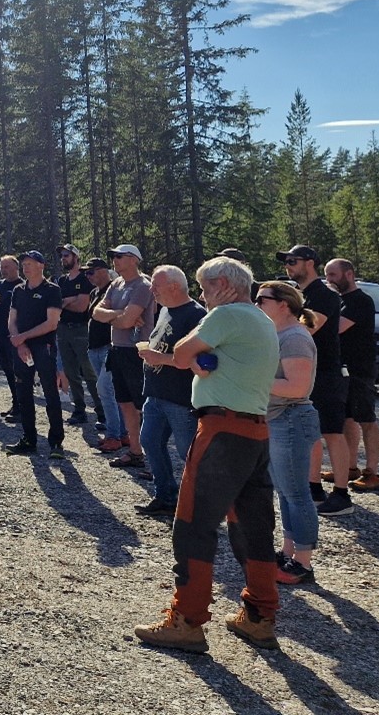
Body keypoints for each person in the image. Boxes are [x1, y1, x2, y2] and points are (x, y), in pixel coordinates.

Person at [134, 256, 281, 653]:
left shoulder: (226, 315)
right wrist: (204, 359)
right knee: (253, 528)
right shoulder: (262, 320)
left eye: (204, 287)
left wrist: (197, 356)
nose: (202, 296)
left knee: (193, 524)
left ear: (224, 285)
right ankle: (260, 617)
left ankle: (187, 620)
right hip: (255, 433)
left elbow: (181, 354)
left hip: (220, 431)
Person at [254, 279, 322, 587]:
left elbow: (297, 387)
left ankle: (303, 564)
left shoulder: (294, 337)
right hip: (279, 418)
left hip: (291, 418)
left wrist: (252, 379)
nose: (256, 304)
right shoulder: (277, 333)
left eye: (262, 299)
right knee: (285, 492)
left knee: (296, 493)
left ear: (284, 304)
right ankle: (288, 552)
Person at [279, 244, 352, 517]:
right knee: (310, 431)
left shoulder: (324, 295)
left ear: (309, 263)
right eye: (286, 261)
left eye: (293, 261)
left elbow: (307, 328)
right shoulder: (300, 295)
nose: (288, 265)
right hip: (306, 372)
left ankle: (342, 494)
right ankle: (314, 487)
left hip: (326, 373)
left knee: (332, 433)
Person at [134, 266, 206, 516]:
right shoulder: (165, 309)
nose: (151, 289)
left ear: (174, 287)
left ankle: (199, 507)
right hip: (156, 393)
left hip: (180, 398)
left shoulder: (196, 315)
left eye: (156, 285)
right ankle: (166, 496)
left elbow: (196, 360)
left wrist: (159, 358)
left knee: (189, 453)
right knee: (150, 442)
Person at [92, 243, 153, 469]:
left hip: (137, 351)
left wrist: (115, 317)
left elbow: (128, 322)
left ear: (134, 259)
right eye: (114, 257)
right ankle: (135, 451)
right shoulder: (116, 284)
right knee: (125, 403)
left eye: (120, 256)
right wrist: (119, 314)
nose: (115, 260)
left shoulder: (143, 286)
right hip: (117, 349)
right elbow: (96, 313)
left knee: (142, 406)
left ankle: (153, 458)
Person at [326, 257, 379, 493]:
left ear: (348, 274)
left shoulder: (360, 301)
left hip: (360, 369)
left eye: (333, 275)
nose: (329, 280)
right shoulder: (340, 301)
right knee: (347, 419)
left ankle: (372, 473)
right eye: (327, 275)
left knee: (366, 419)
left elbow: (335, 327)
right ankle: (350, 467)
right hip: (343, 368)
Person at [4, 251, 67, 458]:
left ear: (41, 265)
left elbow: (51, 323)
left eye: (29, 263)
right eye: (24, 264)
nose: (25, 267)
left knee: (50, 392)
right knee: (23, 392)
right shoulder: (18, 290)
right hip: (22, 348)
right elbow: (12, 319)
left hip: (43, 347)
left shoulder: (52, 290)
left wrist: (23, 337)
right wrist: (19, 342)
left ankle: (56, 442)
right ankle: (29, 439)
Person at [55, 244, 101, 426]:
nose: (63, 259)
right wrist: (70, 300)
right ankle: (79, 410)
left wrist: (65, 302)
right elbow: (56, 305)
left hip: (81, 329)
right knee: (70, 371)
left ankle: (101, 410)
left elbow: (82, 306)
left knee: (89, 371)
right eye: (62, 256)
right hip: (63, 329)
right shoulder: (62, 281)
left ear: (76, 257)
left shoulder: (84, 278)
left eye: (66, 255)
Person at [86, 258, 127, 452]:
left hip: (109, 347)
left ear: (103, 270)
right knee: (111, 391)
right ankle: (122, 433)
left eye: (91, 272)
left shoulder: (115, 289)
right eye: (86, 273)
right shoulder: (94, 292)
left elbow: (122, 313)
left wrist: (107, 314)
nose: (88, 276)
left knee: (105, 389)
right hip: (94, 347)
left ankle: (113, 436)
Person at [0, 256, 22, 422]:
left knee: (18, 371)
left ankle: (22, 408)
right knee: (8, 370)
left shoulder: (22, 285)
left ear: (16, 267)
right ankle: (16, 403)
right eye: (2, 267)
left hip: (14, 335)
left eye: (7, 267)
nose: (3, 270)